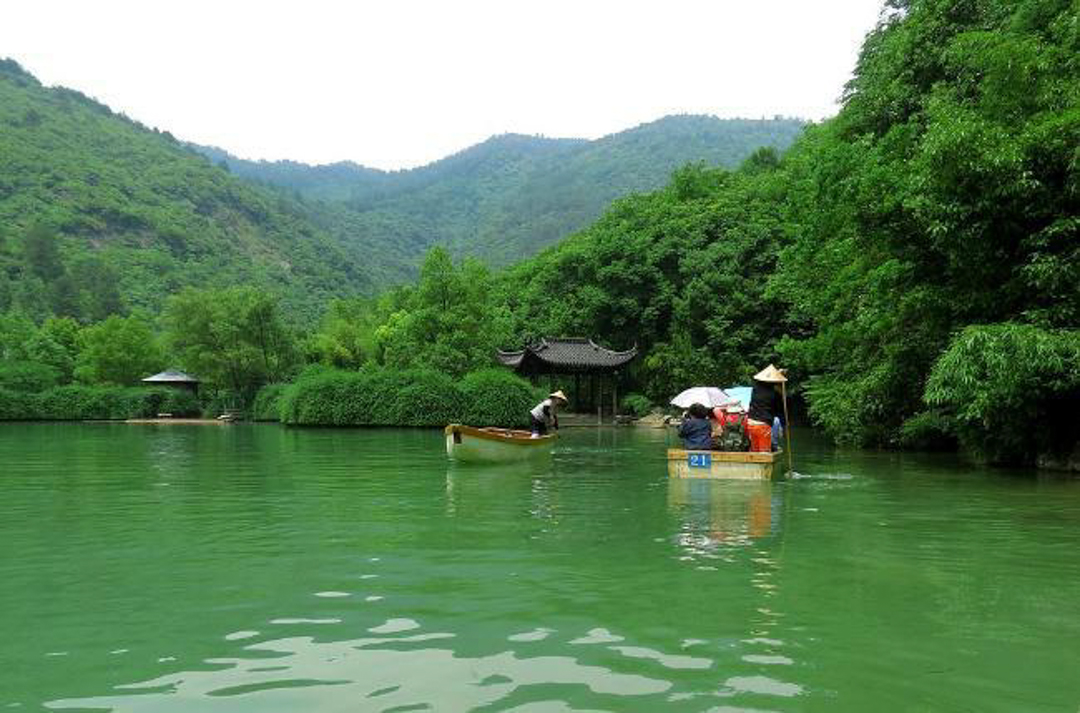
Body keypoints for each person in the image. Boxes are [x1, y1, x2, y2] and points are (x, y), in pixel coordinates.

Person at [747, 364, 786, 453]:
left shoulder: (755, 388)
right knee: (764, 453)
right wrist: (780, 376)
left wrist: (778, 373)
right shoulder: (773, 394)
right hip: (763, 424)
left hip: (751, 423)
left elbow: (767, 382)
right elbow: (778, 408)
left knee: (755, 451)